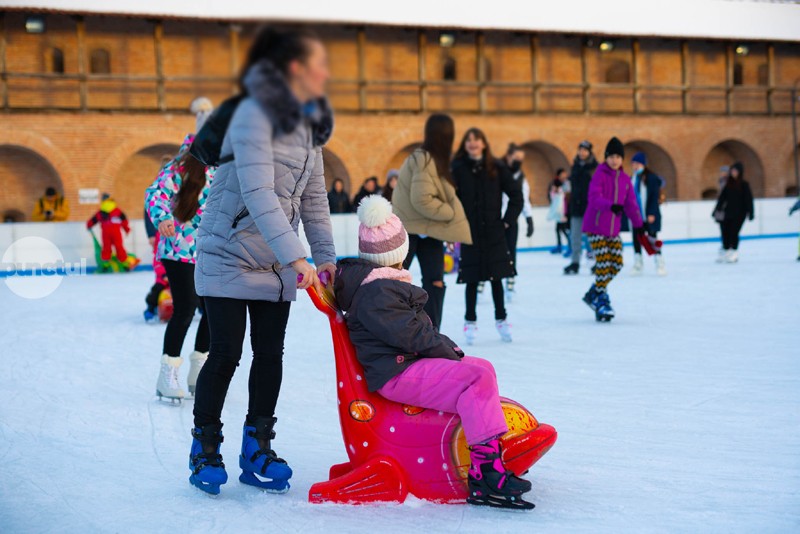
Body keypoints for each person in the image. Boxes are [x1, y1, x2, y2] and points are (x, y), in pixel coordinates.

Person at [189, 27, 337, 496]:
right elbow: (257, 194)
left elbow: (314, 199)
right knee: (227, 353)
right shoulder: (253, 116)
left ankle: (257, 448)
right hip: (228, 253)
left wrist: (326, 258)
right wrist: (296, 256)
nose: (325, 74)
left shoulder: (310, 128)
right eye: (318, 65)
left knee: (270, 355)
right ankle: (205, 449)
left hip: (274, 264)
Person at [334, 195, 534, 509]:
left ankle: (485, 463)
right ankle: (487, 471)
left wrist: (449, 351)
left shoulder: (380, 285)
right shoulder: (377, 292)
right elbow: (412, 336)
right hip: (398, 373)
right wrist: (450, 350)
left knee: (480, 368)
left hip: (403, 365)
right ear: (399, 252)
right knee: (475, 375)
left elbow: (414, 335)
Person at [146, 132, 214, 402]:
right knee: (185, 309)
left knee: (212, 311)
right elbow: (156, 194)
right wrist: (162, 218)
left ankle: (199, 372)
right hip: (178, 249)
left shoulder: (223, 171)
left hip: (211, 251)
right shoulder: (178, 167)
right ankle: (167, 374)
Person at [392, 114, 472, 331]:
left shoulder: (430, 159)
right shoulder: (425, 159)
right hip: (410, 230)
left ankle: (430, 332)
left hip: (425, 228)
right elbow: (422, 199)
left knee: (434, 280)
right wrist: (450, 214)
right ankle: (401, 330)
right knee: (396, 280)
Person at [453, 128, 522, 344]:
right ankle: (470, 321)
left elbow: (516, 196)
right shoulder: (458, 168)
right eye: (469, 140)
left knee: (496, 277)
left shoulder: (497, 167)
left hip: (494, 231)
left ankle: (501, 319)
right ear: (465, 145)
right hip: (469, 231)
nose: (473, 143)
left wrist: (507, 221)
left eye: (477, 140)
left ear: (484, 143)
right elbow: (448, 198)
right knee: (471, 278)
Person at [581, 137, 644, 321]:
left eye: (618, 156)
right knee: (603, 262)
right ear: (606, 157)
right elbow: (593, 197)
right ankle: (601, 299)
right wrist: (611, 206)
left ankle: (594, 293)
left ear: (622, 159)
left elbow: (631, 204)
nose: (615, 160)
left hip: (612, 229)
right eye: (611, 156)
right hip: (595, 226)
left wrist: (639, 225)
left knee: (616, 264)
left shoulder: (625, 179)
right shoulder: (599, 174)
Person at [143, 154, 175, 323]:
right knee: (161, 277)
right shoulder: (155, 189)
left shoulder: (178, 187)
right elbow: (148, 214)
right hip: (160, 233)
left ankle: (198, 307)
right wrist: (150, 234)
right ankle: (151, 306)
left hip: (177, 235)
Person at [624, 152, 666, 276]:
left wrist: (652, 212)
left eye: (637, 163)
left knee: (652, 238)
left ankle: (659, 262)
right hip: (636, 216)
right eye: (633, 164)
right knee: (637, 238)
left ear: (643, 164)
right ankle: (638, 263)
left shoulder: (651, 178)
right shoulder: (633, 178)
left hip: (648, 214)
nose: (635, 166)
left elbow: (653, 196)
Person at [501, 143, 534, 296]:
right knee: (489, 251)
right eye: (516, 157)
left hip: (512, 218)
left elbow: (524, 198)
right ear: (509, 156)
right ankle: (482, 282)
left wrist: (529, 218)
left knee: (510, 251)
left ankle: (510, 281)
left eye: (521, 159)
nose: (518, 161)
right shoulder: (497, 172)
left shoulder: (521, 177)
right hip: (494, 218)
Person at [564, 140, 598, 274]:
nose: (582, 152)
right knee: (575, 236)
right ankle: (575, 262)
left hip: (590, 207)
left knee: (592, 238)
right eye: (580, 150)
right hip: (576, 207)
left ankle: (595, 262)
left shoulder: (595, 168)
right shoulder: (575, 166)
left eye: (585, 150)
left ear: (589, 152)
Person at [713, 162, 754, 263]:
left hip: (740, 213)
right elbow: (722, 198)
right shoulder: (728, 184)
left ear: (740, 172)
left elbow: (748, 199)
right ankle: (726, 252)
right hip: (728, 212)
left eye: (735, 171)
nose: (733, 173)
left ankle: (734, 253)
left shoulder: (744, 184)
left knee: (734, 233)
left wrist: (751, 212)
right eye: (732, 171)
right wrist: (716, 209)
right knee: (726, 232)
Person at [86, 193, 138, 271]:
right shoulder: (117, 210)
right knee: (119, 247)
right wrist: (127, 229)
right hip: (116, 233)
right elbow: (124, 220)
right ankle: (124, 264)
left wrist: (89, 225)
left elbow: (93, 220)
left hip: (105, 233)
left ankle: (105, 265)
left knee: (106, 248)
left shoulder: (101, 211)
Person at [547, 168, 570, 255]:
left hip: (565, 210)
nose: (564, 176)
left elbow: (567, 193)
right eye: (562, 174)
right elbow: (551, 195)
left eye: (565, 174)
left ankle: (570, 246)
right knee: (557, 229)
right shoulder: (554, 183)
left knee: (564, 229)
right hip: (558, 210)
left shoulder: (567, 183)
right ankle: (559, 246)